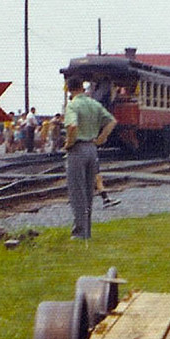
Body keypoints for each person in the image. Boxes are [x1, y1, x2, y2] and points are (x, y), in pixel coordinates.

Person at [63, 77, 117, 239]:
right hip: (92, 149)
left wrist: (69, 143)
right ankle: (87, 231)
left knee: (77, 191)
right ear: (82, 87)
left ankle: (79, 233)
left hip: (77, 149)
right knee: (88, 192)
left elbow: (72, 126)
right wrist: (101, 139)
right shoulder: (94, 104)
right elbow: (112, 121)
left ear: (70, 89)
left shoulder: (72, 105)